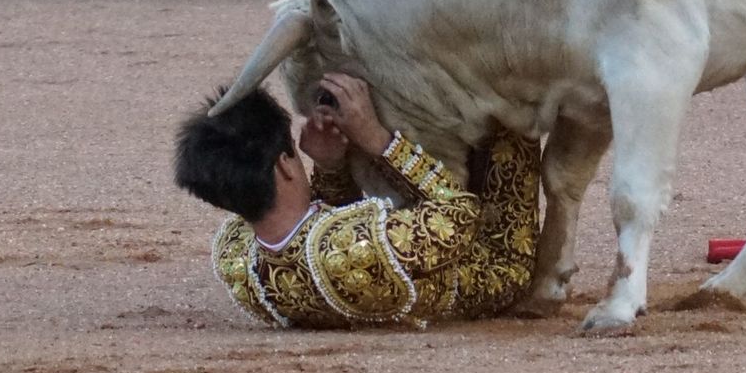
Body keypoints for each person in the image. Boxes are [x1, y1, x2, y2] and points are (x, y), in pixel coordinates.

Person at [174, 72, 540, 329]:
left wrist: (330, 167)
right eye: (294, 157)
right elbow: (459, 212)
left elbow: (323, 231)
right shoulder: (358, 248)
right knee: (512, 106)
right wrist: (377, 138)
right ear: (284, 166)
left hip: (407, 253)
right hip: (492, 265)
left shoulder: (236, 258)